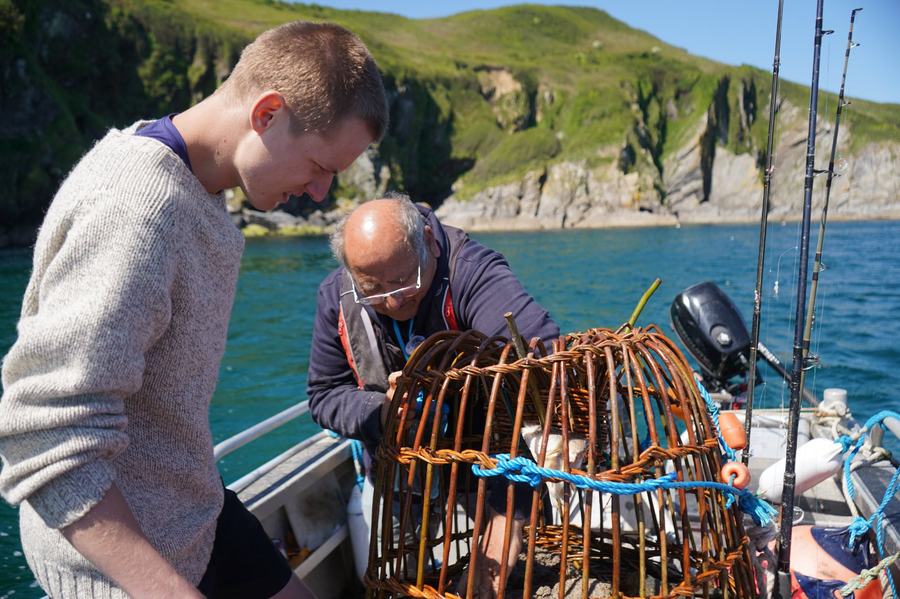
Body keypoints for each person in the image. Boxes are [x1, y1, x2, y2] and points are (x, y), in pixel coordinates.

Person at [0, 21, 387, 599]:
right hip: (119, 558)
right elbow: (45, 439)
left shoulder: (197, 188)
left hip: (192, 512)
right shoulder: (136, 210)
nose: (320, 193)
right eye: (320, 165)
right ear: (268, 114)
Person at [307, 194, 559, 597]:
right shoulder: (334, 297)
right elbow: (324, 395)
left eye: (404, 282)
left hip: (489, 469)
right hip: (395, 472)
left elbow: (541, 349)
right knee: (397, 583)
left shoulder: (472, 272)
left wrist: (505, 516)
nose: (392, 300)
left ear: (429, 240)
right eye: (371, 289)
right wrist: (382, 413)